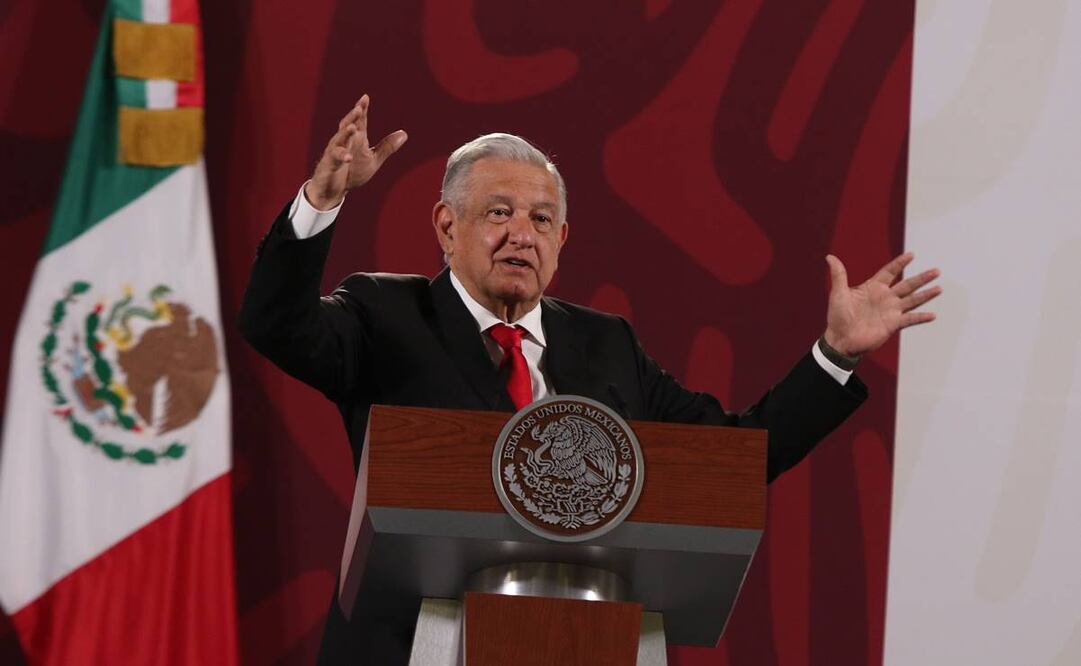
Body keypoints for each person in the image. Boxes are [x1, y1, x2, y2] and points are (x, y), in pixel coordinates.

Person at [239, 94, 941, 665]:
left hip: (591, 643)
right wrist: (321, 200)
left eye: (542, 219)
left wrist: (835, 354)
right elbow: (277, 326)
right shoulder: (384, 312)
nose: (522, 234)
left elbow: (733, 458)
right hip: (407, 646)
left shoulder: (607, 345)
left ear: (562, 240)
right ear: (446, 226)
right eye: (498, 213)